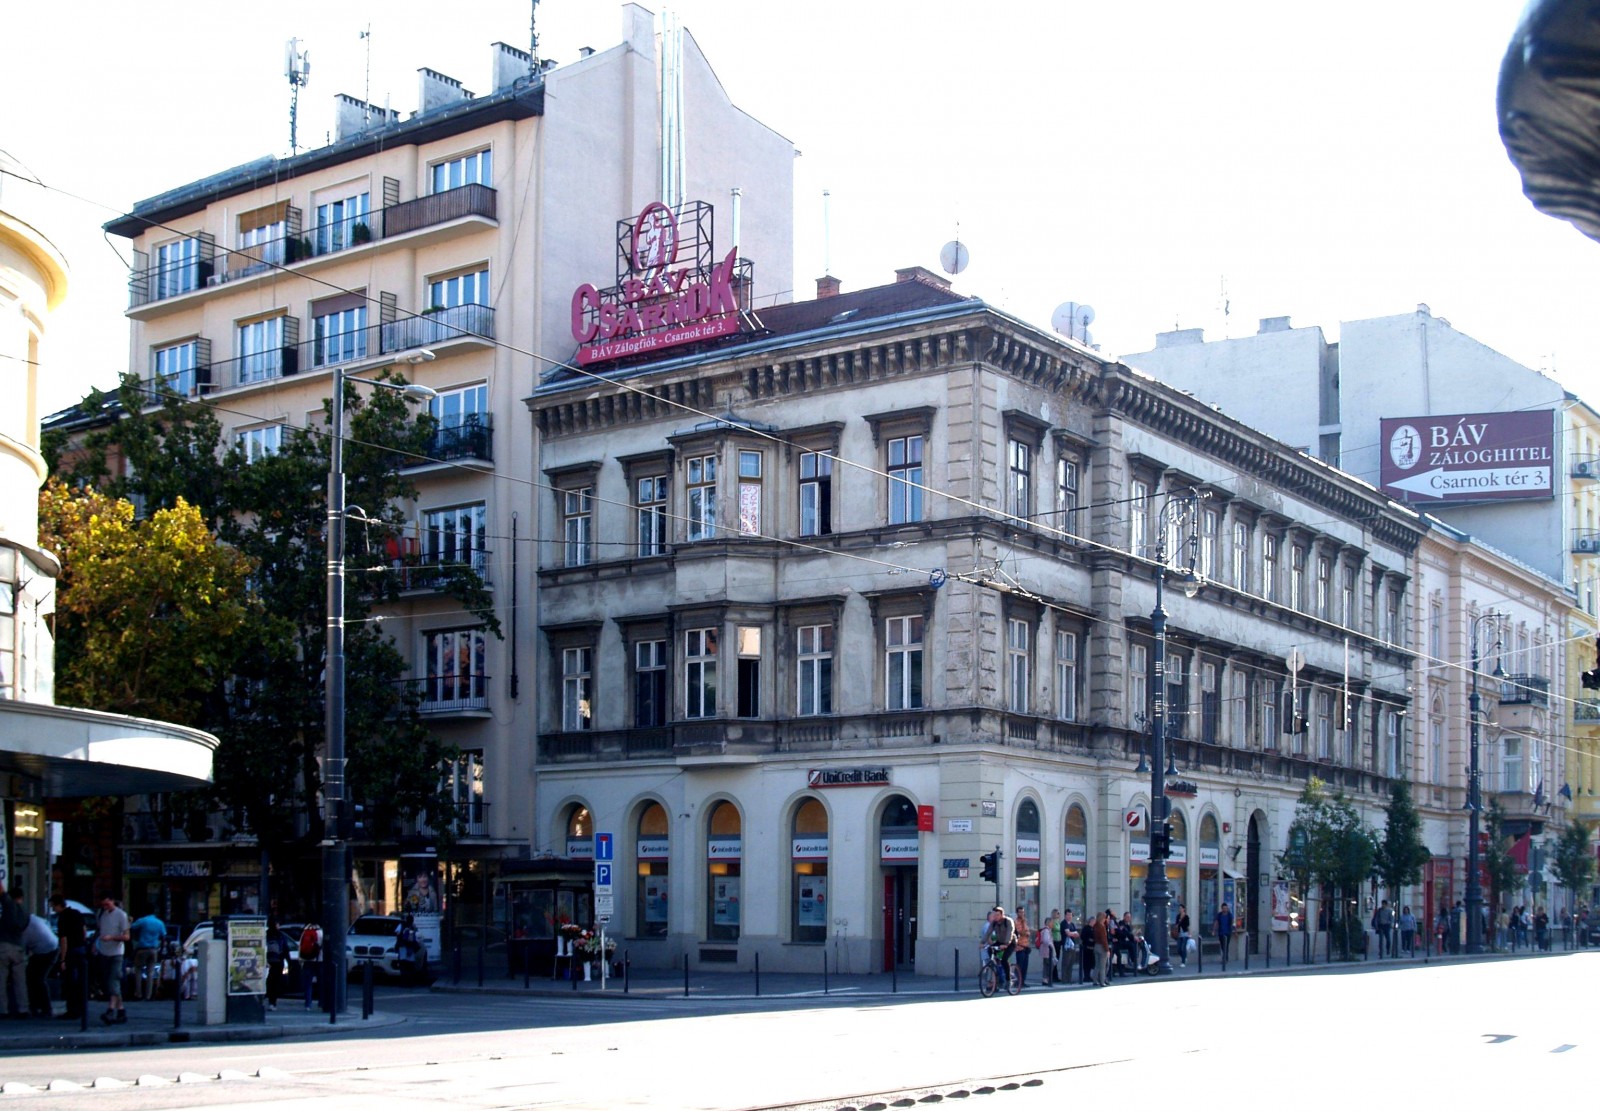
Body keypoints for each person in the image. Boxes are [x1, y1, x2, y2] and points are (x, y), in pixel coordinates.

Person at [94, 893, 131, 1024]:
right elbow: (99, 931)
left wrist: (112, 938)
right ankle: (121, 1010)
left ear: (113, 901)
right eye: (103, 905)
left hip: (116, 953)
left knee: (113, 980)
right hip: (104, 952)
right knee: (110, 983)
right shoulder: (102, 914)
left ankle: (110, 1009)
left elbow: (127, 936)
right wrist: (96, 944)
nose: (105, 907)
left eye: (107, 904)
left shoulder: (121, 915)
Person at [50, 896, 87, 1020]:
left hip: (71, 951)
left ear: (58, 905)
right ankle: (81, 1008)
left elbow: (64, 939)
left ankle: (72, 1009)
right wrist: (82, 942)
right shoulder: (77, 913)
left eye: (53, 906)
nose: (53, 909)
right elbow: (84, 930)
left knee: (70, 981)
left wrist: (63, 958)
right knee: (80, 981)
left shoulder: (63, 918)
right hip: (81, 949)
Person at [21, 900, 58, 1017]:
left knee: (38, 979)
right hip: (51, 947)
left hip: (46, 951)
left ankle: (44, 1007)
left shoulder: (25, 932)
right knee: (35, 978)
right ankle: (39, 1006)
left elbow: (22, 950)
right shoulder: (33, 918)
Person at [0, 881, 28, 1018]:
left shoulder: (9, 905)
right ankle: (23, 1009)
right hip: (19, 947)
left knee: (1, 980)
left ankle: (3, 1009)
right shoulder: (25, 912)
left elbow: (2, 893)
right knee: (20, 981)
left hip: (4, 946)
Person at [128, 905, 166, 1002]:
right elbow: (163, 937)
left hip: (142, 948)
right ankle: (148, 995)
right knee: (150, 972)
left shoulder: (142, 921)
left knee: (138, 970)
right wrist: (161, 949)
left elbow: (131, 927)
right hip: (154, 949)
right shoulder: (159, 922)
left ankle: (138, 993)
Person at [979, 905, 1015, 989]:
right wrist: (982, 943)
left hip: (1010, 943)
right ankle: (996, 965)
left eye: (998, 915)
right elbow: (988, 933)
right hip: (999, 941)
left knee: (1004, 959)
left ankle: (1008, 980)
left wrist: (1006, 944)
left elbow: (1010, 933)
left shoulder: (1008, 921)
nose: (996, 917)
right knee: (990, 949)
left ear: (1002, 915)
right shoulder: (994, 923)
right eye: (995, 915)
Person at [299, 922, 323, 1010]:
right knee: (321, 982)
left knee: (308, 983)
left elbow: (301, 946)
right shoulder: (321, 932)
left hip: (307, 960)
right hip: (320, 960)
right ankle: (321, 1002)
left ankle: (308, 1004)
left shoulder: (305, 932)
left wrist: (301, 960)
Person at [398, 913, 428, 982]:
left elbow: (397, 934)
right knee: (409, 965)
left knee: (404, 965)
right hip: (409, 948)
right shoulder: (411, 927)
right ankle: (408, 981)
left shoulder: (402, 926)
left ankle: (404, 981)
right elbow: (411, 939)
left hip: (403, 948)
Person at [265, 918, 287, 1011]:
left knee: (269, 981)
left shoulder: (266, 934)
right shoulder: (280, 935)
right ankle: (273, 1002)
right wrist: (288, 961)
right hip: (278, 961)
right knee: (276, 982)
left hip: (268, 961)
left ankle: (269, 999)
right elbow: (285, 948)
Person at [1012, 908, 1033, 988]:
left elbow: (1028, 932)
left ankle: (1022, 981)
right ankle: (1017, 982)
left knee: (1025, 966)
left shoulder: (1025, 921)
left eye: (1023, 912)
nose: (1022, 914)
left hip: (1026, 946)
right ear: (1017, 913)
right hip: (1019, 946)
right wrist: (1025, 932)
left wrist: (1027, 933)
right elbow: (1020, 932)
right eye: (1020, 912)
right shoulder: (1016, 922)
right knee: (1019, 965)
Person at [1035, 909, 1056, 986]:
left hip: (1045, 951)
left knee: (1046, 965)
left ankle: (1045, 979)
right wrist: (1051, 946)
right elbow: (1046, 940)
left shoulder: (1046, 930)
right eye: (1052, 923)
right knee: (1049, 965)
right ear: (1049, 923)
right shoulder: (1046, 930)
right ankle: (1047, 979)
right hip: (1047, 951)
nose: (1053, 924)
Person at [1091, 910, 1111, 987]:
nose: (1105, 919)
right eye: (1105, 918)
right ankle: (1102, 981)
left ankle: (1095, 980)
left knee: (1097, 965)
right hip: (1102, 947)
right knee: (1103, 966)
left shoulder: (1095, 926)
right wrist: (1107, 949)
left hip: (1096, 946)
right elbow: (1104, 939)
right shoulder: (1102, 927)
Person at [1215, 902, 1234, 971]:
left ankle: (1225, 958)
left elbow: (1232, 923)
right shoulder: (1219, 915)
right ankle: (1225, 957)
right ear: (1222, 908)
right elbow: (1216, 922)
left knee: (1226, 945)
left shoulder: (1229, 915)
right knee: (1222, 946)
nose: (1225, 909)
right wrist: (1214, 930)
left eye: (1226, 908)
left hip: (1228, 932)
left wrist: (1234, 930)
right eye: (1224, 908)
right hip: (1221, 932)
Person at [1174, 902, 1192, 967]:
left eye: (1181, 908)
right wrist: (1177, 924)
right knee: (1178, 949)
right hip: (1179, 934)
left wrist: (1189, 934)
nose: (1180, 909)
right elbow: (1176, 925)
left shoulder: (1186, 917)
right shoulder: (1178, 916)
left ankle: (1183, 962)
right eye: (1179, 908)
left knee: (1183, 948)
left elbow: (1188, 926)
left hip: (1185, 934)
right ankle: (1183, 957)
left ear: (1184, 909)